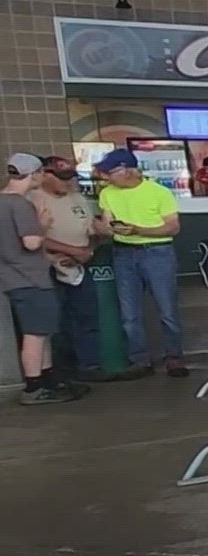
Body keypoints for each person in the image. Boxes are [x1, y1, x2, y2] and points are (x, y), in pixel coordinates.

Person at [93, 148, 188, 378]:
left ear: (127, 170)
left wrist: (139, 230)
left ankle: (174, 357)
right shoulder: (107, 193)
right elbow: (107, 222)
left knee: (167, 308)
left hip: (157, 252)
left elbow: (172, 228)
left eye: (110, 172)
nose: (105, 176)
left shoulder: (160, 192)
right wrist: (104, 228)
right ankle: (140, 360)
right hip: (123, 252)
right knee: (129, 312)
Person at [4, 155, 85, 404]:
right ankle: (34, 386)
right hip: (30, 279)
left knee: (41, 331)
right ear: (36, 173)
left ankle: (47, 378)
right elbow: (30, 243)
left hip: (13, 276)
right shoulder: (21, 204)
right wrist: (42, 224)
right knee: (35, 334)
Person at [29, 156, 113, 383]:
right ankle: (61, 370)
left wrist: (90, 248)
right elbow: (33, 237)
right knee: (56, 321)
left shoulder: (77, 198)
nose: (68, 183)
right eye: (62, 178)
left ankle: (90, 366)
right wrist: (69, 252)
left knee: (87, 317)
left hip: (80, 266)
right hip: (49, 268)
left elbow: (89, 231)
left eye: (71, 178)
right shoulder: (34, 200)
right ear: (45, 175)